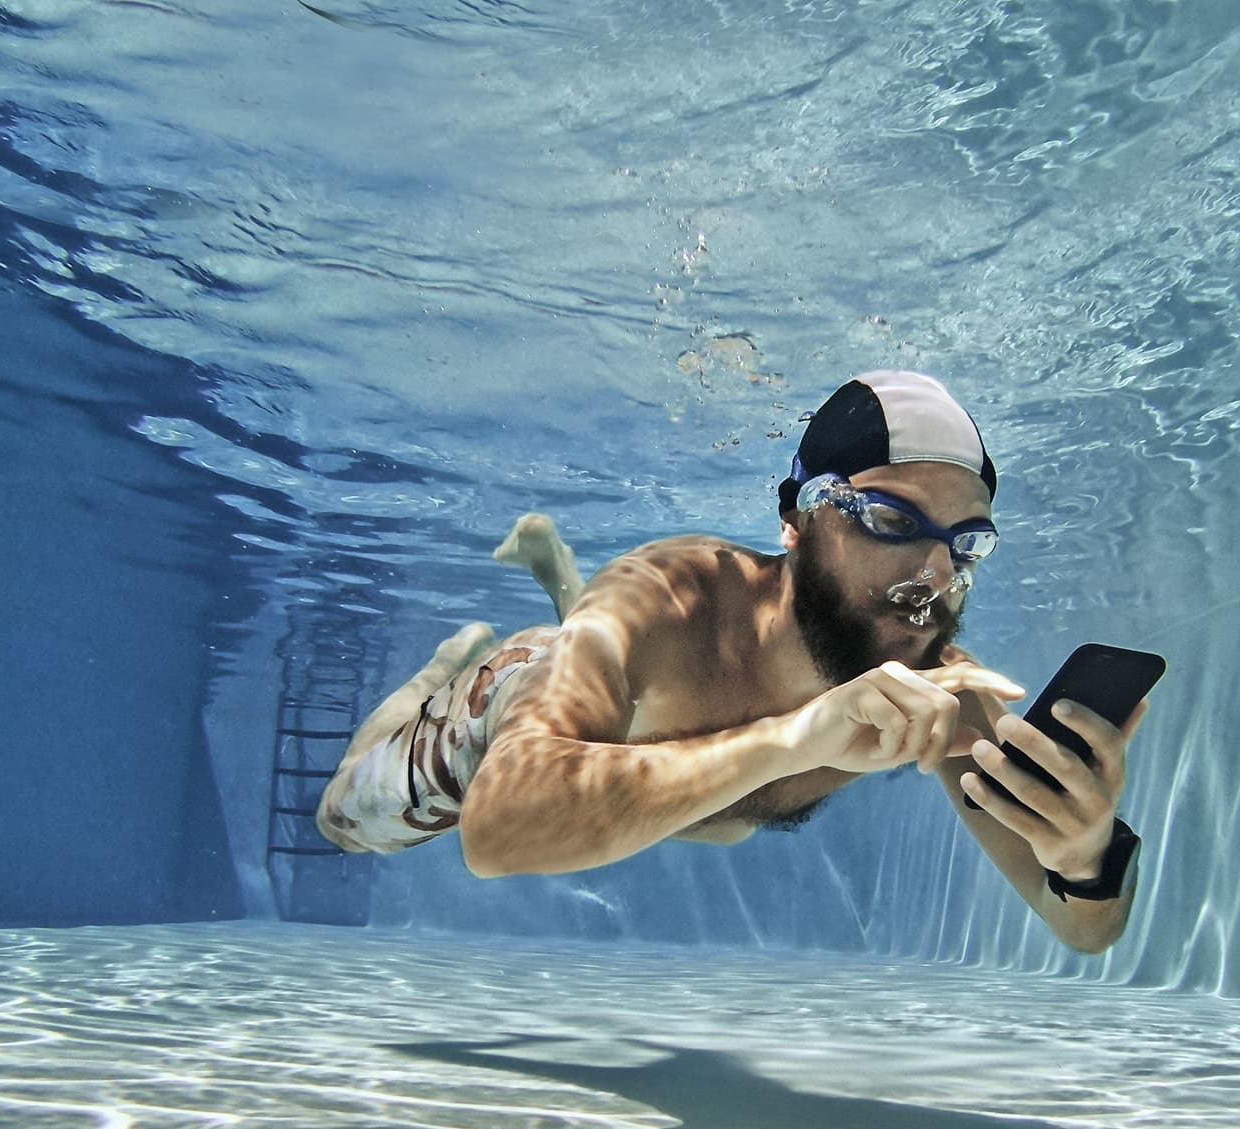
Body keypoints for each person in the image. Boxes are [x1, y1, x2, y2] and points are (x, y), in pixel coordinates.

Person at [317, 371, 1149, 952]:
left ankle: (551, 579)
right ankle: (441, 666)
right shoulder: (670, 594)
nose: (935, 576)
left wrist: (1085, 860)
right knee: (346, 822)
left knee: (690, 794)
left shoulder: (941, 693)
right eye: (894, 522)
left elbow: (1080, 928)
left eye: (965, 546)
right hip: (503, 711)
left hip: (633, 727)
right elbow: (496, 831)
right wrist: (795, 740)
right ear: (798, 518)